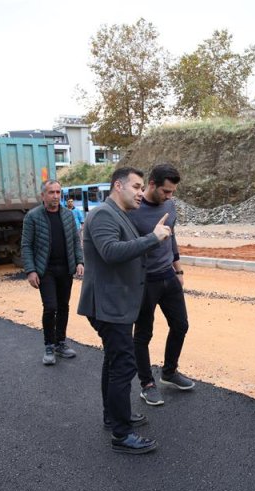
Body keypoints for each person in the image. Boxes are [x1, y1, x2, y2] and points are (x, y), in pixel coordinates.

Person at [77, 166, 172, 455]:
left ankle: (114, 416)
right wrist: (153, 238)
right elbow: (112, 252)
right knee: (123, 365)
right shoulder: (104, 214)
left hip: (114, 302)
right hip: (109, 304)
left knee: (114, 361)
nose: (141, 193)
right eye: (136, 186)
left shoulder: (119, 214)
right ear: (118, 186)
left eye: (143, 187)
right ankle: (122, 433)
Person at [127, 163, 195, 406]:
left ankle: (169, 372)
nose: (170, 196)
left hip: (168, 276)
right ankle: (147, 384)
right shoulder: (132, 209)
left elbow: (171, 237)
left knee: (181, 325)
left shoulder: (169, 205)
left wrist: (178, 268)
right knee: (143, 334)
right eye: (166, 191)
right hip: (144, 282)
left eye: (173, 192)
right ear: (152, 185)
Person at [21, 180, 84, 366]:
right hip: (45, 270)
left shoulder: (68, 215)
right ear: (43, 196)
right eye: (51, 192)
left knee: (64, 306)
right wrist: (31, 270)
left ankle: (60, 343)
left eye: (58, 192)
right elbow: (26, 245)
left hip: (65, 269)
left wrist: (80, 261)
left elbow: (75, 240)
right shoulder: (32, 217)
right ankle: (49, 345)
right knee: (50, 307)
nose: (55, 196)